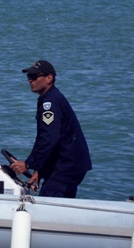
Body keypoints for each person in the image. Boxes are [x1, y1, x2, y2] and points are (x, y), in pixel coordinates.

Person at [9, 60, 92, 198]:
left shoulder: (50, 103)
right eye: (29, 77)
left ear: (49, 78)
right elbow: (50, 139)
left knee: (48, 201)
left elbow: (49, 139)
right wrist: (39, 171)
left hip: (67, 166)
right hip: (70, 165)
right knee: (62, 205)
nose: (30, 80)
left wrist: (28, 164)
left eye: (34, 77)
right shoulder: (50, 98)